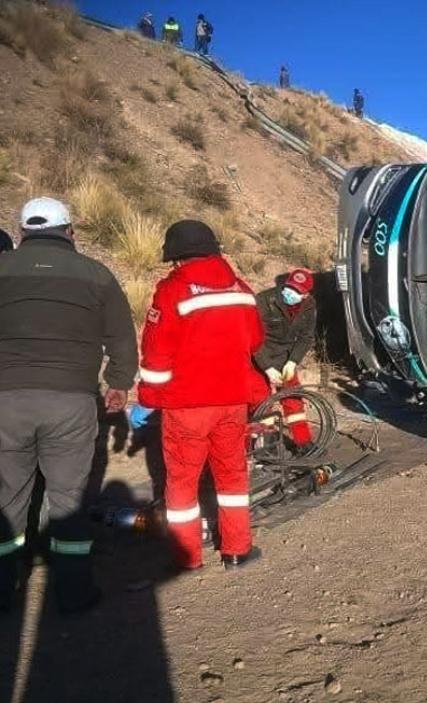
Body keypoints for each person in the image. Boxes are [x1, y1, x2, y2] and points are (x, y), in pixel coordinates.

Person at [0, 198, 137, 614]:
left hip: (6, 403)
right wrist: (117, 386)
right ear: (70, 232)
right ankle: (74, 593)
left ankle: (4, 591)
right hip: (72, 403)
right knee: (68, 498)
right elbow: (122, 340)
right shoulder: (97, 275)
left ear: (22, 233)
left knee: (6, 500)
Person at [135, 220, 265, 571]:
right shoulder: (240, 287)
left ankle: (186, 557)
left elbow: (156, 353)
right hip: (232, 402)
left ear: (177, 257)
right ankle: (237, 550)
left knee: (181, 483)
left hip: (186, 406)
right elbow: (255, 341)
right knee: (233, 477)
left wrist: (148, 396)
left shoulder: (172, 290)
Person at [253, 269, 317, 451]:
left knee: (294, 400)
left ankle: (303, 442)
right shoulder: (264, 300)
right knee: (261, 403)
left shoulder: (309, 305)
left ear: (306, 295)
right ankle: (267, 444)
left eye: (298, 291)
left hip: (285, 358)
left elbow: (306, 337)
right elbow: (252, 337)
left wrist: (293, 361)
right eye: (289, 288)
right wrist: (266, 367)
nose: (291, 293)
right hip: (260, 356)